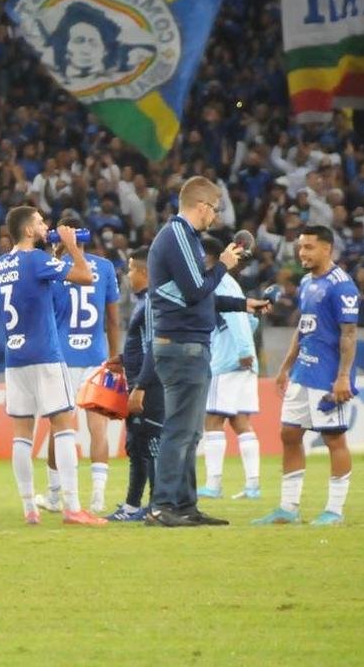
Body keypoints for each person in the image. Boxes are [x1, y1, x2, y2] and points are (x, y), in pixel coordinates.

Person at [139, 176, 268, 528]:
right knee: (180, 430)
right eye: (214, 208)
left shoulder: (185, 239)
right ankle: (163, 504)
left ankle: (184, 505)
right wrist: (224, 264)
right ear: (201, 206)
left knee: (190, 432)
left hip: (187, 345)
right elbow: (197, 291)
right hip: (181, 346)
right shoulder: (178, 236)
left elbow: (198, 296)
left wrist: (243, 303)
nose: (215, 216)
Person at [0, 205, 105, 526]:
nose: (47, 226)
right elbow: (84, 276)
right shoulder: (38, 260)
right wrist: (70, 248)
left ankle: (30, 508)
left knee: (22, 433)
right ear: (28, 230)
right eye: (41, 222)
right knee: (63, 424)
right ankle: (72, 506)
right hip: (45, 354)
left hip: (15, 357)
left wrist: (52, 255)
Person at [255, 226, 359, 526]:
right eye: (301, 247)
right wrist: (286, 366)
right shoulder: (306, 282)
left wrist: (343, 377)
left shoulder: (342, 286)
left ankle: (335, 511)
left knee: (334, 438)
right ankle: (288, 508)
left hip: (327, 375)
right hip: (303, 371)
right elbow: (304, 327)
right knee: (289, 434)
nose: (302, 253)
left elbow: (349, 333)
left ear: (327, 249)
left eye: (309, 247)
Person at [39, 214, 121, 515]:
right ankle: (98, 496)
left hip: (61, 356)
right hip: (96, 356)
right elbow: (113, 319)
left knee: (59, 428)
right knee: (97, 429)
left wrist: (56, 254)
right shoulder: (106, 267)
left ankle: (53, 493)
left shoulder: (56, 270)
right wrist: (114, 357)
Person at [197, 237, 262, 501]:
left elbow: (236, 317)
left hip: (226, 362)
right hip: (242, 361)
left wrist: (244, 350)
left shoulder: (220, 282)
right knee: (240, 422)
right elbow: (248, 320)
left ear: (207, 257)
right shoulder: (229, 283)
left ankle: (213, 484)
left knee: (212, 420)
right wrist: (246, 350)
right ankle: (253, 485)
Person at [107, 248, 163, 522]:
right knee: (137, 445)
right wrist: (123, 359)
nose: (127, 275)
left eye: (130, 269)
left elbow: (154, 347)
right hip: (138, 382)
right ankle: (132, 506)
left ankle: (155, 505)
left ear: (144, 273)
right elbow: (142, 346)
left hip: (149, 387)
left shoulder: (152, 302)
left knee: (150, 445)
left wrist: (141, 385)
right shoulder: (143, 301)